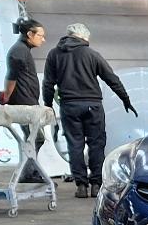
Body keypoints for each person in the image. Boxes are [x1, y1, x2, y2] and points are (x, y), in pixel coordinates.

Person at [42, 22, 136, 198]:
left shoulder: (54, 54)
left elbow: (48, 83)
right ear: (84, 37)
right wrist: (125, 98)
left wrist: (48, 106)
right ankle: (96, 184)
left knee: (75, 145)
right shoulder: (92, 54)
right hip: (93, 105)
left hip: (69, 106)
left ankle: (81, 187)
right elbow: (111, 78)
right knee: (96, 144)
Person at [0, 17, 46, 181]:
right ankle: (28, 173)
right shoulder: (18, 51)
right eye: (40, 35)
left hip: (28, 102)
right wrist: (6, 96)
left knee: (34, 138)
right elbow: (11, 77)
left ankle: (29, 172)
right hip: (24, 105)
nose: (43, 39)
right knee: (35, 138)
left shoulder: (22, 50)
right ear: (29, 34)